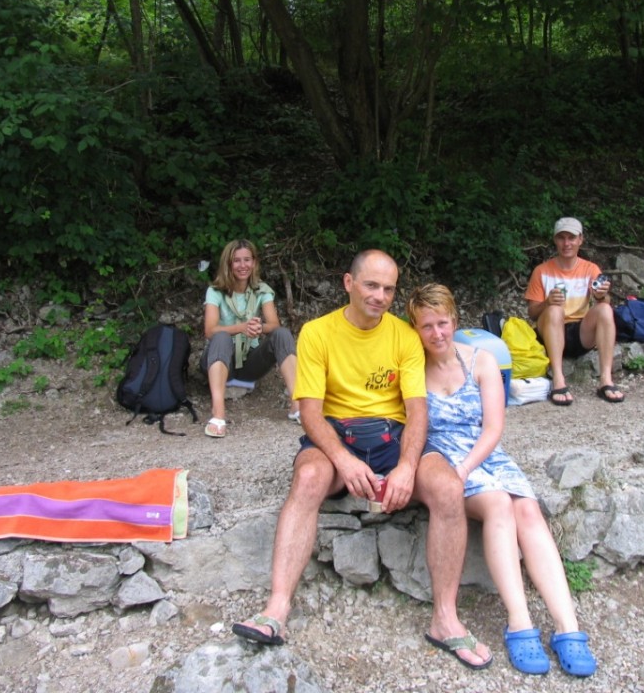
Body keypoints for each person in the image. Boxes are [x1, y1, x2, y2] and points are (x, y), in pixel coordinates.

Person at [231, 250, 493, 671]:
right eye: (371, 285)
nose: (380, 296)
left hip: (393, 437)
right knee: (310, 478)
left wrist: (407, 466)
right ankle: (276, 609)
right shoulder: (318, 333)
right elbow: (310, 410)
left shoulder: (405, 335)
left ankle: (445, 619)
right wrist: (344, 460)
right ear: (348, 283)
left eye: (389, 288)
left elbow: (417, 409)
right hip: (337, 434)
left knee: (447, 487)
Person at [406, 282, 597, 677]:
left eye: (442, 323)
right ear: (416, 329)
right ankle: (520, 621)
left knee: (527, 510)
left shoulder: (481, 361)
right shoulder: (412, 368)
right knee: (496, 503)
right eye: (427, 326)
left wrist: (467, 468)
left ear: (454, 321)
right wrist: (454, 472)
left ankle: (568, 627)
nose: (437, 334)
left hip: (484, 452)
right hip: (443, 454)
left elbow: (493, 427)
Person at [201, 239, 299, 437]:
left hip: (249, 362)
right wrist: (240, 328)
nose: (242, 265)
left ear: (254, 262)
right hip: (220, 360)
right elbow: (210, 330)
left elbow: (274, 324)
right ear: (228, 263)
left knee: (282, 334)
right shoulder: (215, 291)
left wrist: (258, 327)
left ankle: (296, 406)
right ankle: (218, 415)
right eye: (236, 260)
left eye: (247, 260)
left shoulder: (261, 289)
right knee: (221, 337)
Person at [525, 216, 624, 405]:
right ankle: (558, 380)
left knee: (604, 309)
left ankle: (606, 380)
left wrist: (601, 295)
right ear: (555, 240)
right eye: (561, 238)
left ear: (580, 240)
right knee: (555, 310)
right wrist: (547, 302)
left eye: (571, 238)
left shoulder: (590, 269)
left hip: (580, 333)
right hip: (550, 331)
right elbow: (532, 313)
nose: (566, 243)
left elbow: (605, 301)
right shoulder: (541, 271)